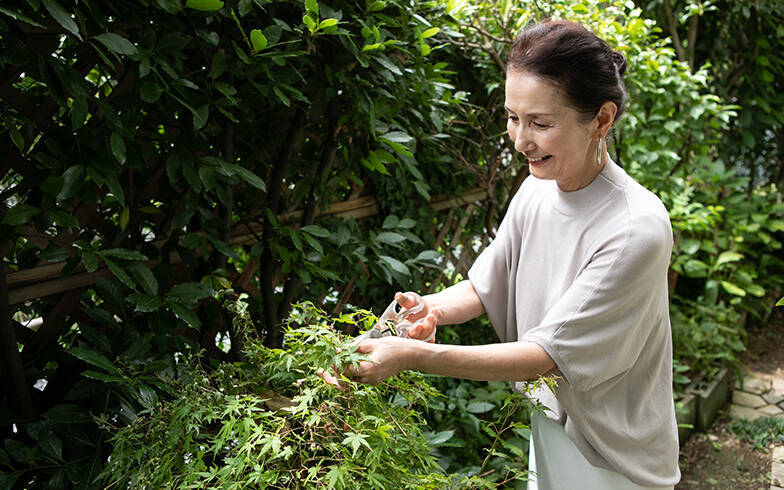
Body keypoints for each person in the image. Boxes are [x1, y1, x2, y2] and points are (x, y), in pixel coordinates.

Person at [320, 19, 680, 489]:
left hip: (617, 457)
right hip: (552, 423)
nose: (519, 139)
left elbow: (540, 356)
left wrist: (408, 355)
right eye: (513, 117)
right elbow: (487, 282)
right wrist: (430, 311)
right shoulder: (537, 188)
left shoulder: (636, 229)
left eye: (540, 123)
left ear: (602, 120)